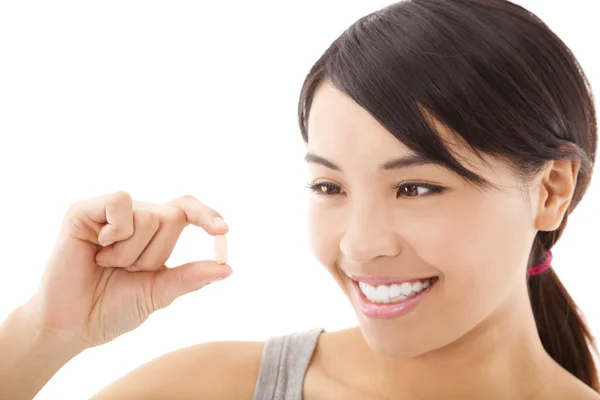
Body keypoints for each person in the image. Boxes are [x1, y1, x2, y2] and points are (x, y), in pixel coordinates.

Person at [1, 0, 599, 398]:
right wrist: (49, 329)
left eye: (416, 186)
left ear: (551, 191)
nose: (360, 244)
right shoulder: (214, 388)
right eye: (329, 187)